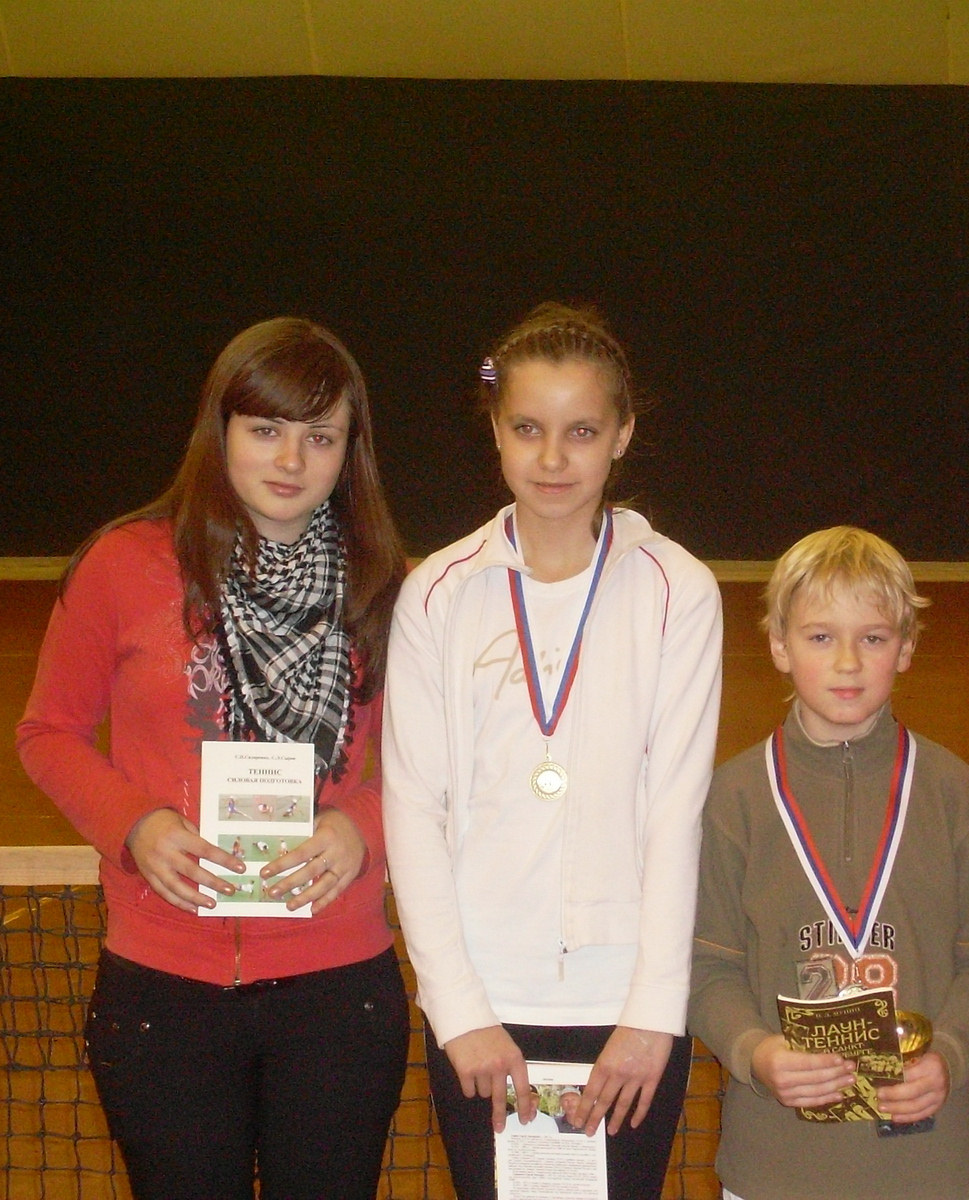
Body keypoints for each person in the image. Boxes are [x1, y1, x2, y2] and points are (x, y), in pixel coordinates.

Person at [16, 318, 409, 1200]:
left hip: (337, 990)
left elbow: (431, 765)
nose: (291, 460)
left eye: (321, 437)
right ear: (220, 430)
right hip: (163, 992)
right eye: (265, 429)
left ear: (351, 452)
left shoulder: (388, 587)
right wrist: (134, 824)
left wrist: (363, 826)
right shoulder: (123, 565)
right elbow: (48, 732)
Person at [381, 302, 723, 1199]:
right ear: (496, 431)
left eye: (582, 431)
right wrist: (458, 1010)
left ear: (623, 435)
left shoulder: (678, 590)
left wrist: (653, 1013)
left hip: (626, 1015)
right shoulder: (437, 594)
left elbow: (676, 811)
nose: (552, 459)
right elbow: (412, 809)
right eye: (528, 429)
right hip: (482, 1011)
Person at [691, 526, 969, 1200]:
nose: (848, 662)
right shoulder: (733, 796)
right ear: (779, 646)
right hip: (773, 1170)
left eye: (872, 638)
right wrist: (756, 1051)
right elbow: (705, 969)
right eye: (821, 637)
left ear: (905, 649)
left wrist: (949, 1054)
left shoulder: (951, 790)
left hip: (929, 1169)